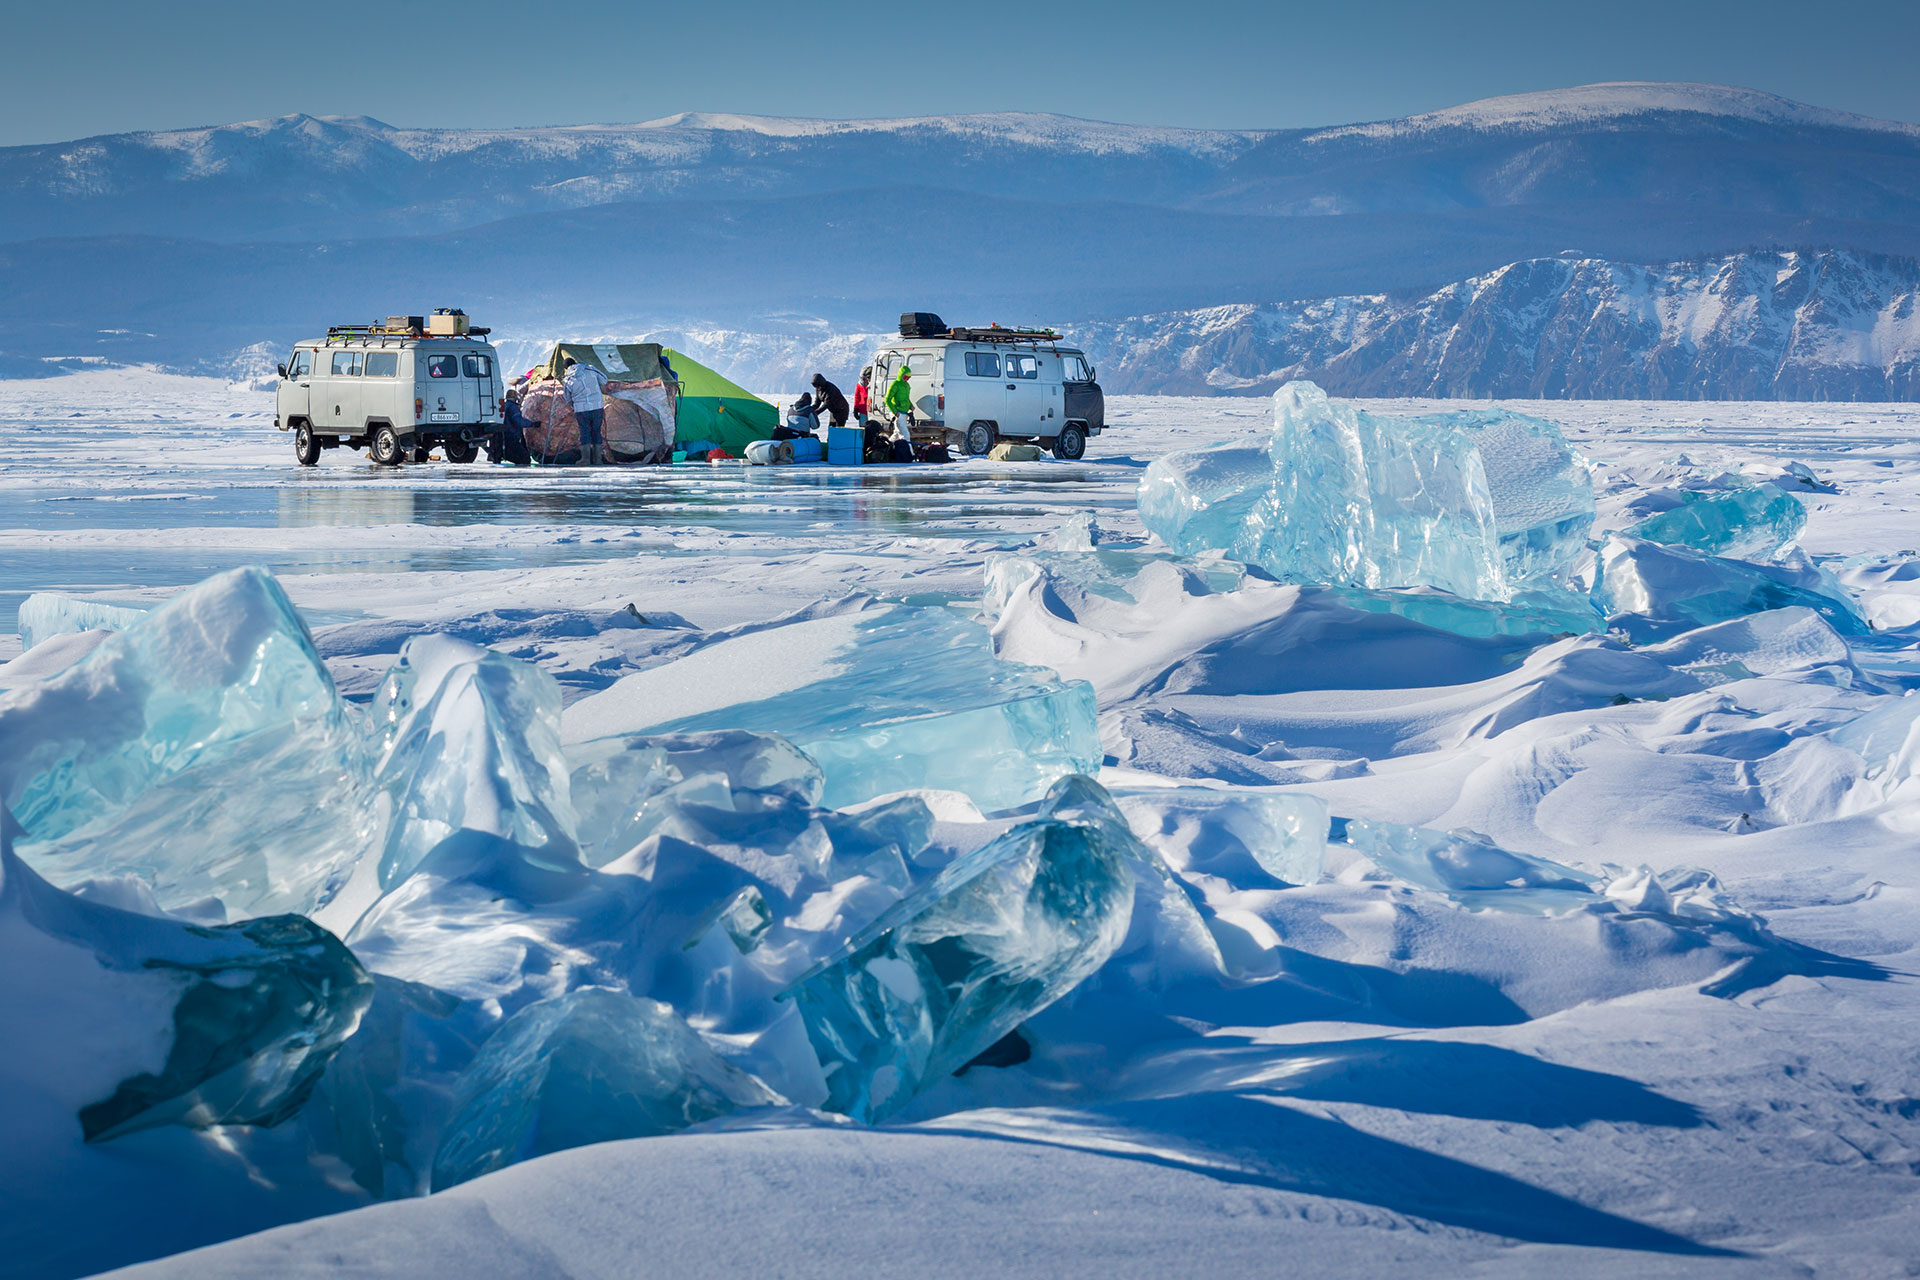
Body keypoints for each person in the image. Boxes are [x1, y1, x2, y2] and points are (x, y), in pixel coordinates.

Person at [562, 355, 609, 465]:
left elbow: (567, 398)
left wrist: (575, 403)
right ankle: (598, 460)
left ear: (566, 368)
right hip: (597, 406)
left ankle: (586, 459)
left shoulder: (567, 379)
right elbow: (604, 380)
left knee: (585, 433)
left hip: (581, 409)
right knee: (596, 432)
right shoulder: (590, 369)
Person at [490, 387, 534, 465]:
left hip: (503, 437)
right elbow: (518, 421)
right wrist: (532, 424)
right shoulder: (513, 407)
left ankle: (498, 456)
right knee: (525, 459)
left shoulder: (505, 405)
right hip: (511, 436)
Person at [884, 364, 915, 440]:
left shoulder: (907, 385)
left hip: (904, 412)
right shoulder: (895, 384)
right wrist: (895, 412)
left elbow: (906, 398)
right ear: (901, 375)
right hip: (897, 413)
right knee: (905, 434)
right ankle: (909, 452)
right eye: (905, 377)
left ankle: (888, 446)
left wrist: (911, 405)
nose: (907, 379)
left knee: (897, 434)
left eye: (908, 377)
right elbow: (887, 399)